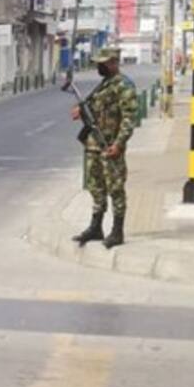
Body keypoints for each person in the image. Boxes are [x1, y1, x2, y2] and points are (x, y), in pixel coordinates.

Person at [70, 48, 138, 249]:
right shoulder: (103, 85)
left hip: (109, 146)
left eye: (103, 63)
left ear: (113, 63)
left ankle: (117, 231)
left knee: (115, 188)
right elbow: (92, 107)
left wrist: (119, 143)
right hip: (93, 145)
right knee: (95, 185)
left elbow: (129, 118)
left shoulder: (124, 86)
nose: (99, 66)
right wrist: (79, 110)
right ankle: (96, 226)